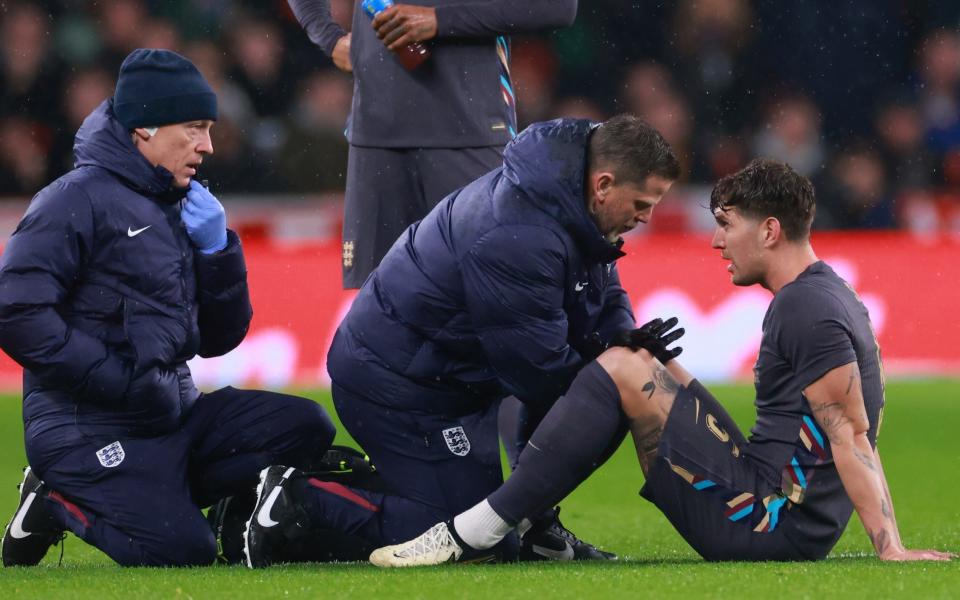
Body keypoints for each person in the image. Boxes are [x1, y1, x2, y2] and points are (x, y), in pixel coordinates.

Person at [368, 158, 955, 565]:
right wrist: (667, 368)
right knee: (636, 361)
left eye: (727, 225)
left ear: (770, 230)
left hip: (770, 525)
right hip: (775, 502)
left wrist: (890, 547)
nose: (716, 241)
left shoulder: (805, 310)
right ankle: (532, 527)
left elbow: (850, 433)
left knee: (622, 369)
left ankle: (476, 531)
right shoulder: (823, 293)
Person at [240, 115, 681, 568]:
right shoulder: (520, 235)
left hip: (448, 383)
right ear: (604, 184)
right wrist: (615, 372)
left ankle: (531, 524)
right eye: (642, 203)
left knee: (600, 396)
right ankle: (299, 496)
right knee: (472, 536)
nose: (646, 217)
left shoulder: (565, 200)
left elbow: (604, 293)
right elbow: (540, 373)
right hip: (396, 388)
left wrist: (623, 340)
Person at [0, 49, 336, 567]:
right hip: (84, 429)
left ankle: (230, 509)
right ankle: (55, 500)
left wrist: (218, 250)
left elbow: (222, 339)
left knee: (306, 425)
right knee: (181, 549)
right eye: (195, 127)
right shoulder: (72, 200)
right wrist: (115, 379)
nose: (208, 144)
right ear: (145, 129)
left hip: (169, 414)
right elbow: (17, 313)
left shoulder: (178, 200)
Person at [286, 0, 578, 288]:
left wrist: (439, 20)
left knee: (488, 290)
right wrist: (329, 37)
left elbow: (558, 7)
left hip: (470, 134)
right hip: (377, 138)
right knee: (381, 304)